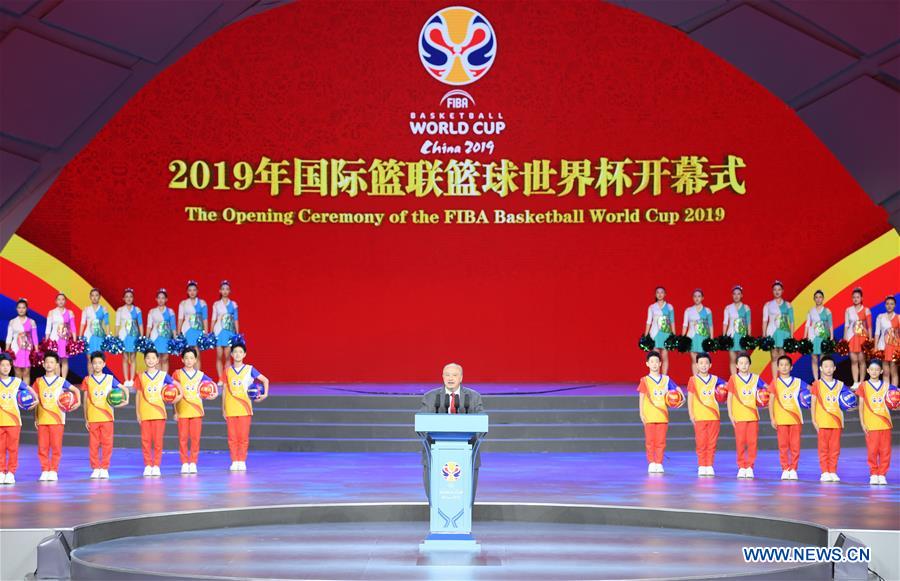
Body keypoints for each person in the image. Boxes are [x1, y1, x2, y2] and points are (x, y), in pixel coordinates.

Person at [418, 363, 485, 498]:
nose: (450, 378)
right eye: (447, 375)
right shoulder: (430, 397)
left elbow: (481, 422)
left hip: (467, 452)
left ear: (461, 378)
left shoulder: (473, 397)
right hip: (435, 452)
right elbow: (422, 424)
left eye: (454, 375)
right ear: (442, 377)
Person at [81, 352, 128, 479]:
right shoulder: (87, 380)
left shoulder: (109, 378)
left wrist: (126, 400)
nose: (97, 365)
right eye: (94, 363)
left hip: (107, 417)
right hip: (93, 417)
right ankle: (95, 468)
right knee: (93, 444)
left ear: (104, 364)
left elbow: (124, 388)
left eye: (99, 363)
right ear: (91, 364)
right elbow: (85, 400)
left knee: (107, 443)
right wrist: (86, 418)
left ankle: (105, 467)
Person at [33, 351, 80, 481]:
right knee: (42, 447)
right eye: (47, 362)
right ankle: (44, 469)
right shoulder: (38, 381)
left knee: (56, 446)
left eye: (52, 362)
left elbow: (75, 390)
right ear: (43, 364)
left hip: (58, 419)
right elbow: (35, 400)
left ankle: (53, 470)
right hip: (42, 419)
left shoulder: (61, 381)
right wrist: (36, 417)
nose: (49, 364)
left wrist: (78, 402)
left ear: (57, 365)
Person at [222, 343, 268, 471]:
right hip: (231, 408)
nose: (237, 354)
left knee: (243, 437)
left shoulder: (249, 369)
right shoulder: (227, 371)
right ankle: (234, 460)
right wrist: (223, 409)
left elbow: (265, 380)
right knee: (232, 437)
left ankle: (241, 460)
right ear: (231, 354)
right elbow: (225, 391)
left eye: (240, 352)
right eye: (235, 352)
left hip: (245, 408)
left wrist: (264, 395)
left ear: (244, 354)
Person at [135, 348, 181, 477]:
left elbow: (177, 385)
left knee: (158, 441)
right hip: (145, 413)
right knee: (146, 441)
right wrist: (138, 414)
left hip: (159, 414)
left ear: (157, 360)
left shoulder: (163, 375)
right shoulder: (140, 376)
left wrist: (178, 396)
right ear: (144, 360)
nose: (150, 360)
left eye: (153, 358)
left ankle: (156, 465)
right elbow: (138, 396)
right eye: (148, 358)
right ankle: (148, 465)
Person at [637, 351, 683, 474]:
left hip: (662, 416)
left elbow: (677, 389)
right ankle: (652, 462)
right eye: (651, 362)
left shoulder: (666, 379)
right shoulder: (645, 380)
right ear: (647, 364)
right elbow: (641, 397)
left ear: (660, 363)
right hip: (649, 415)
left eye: (656, 362)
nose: (654, 364)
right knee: (650, 441)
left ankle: (659, 462)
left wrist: (681, 398)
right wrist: (641, 413)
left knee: (661, 441)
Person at [173, 347, 216, 474]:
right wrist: (175, 411)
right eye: (186, 358)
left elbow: (212, 385)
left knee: (195, 438)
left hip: (197, 411)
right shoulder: (177, 374)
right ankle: (184, 462)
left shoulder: (200, 375)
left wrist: (212, 394)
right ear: (182, 359)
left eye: (192, 358)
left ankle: (193, 462)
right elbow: (173, 393)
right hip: (182, 410)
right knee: (183, 438)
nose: (189, 360)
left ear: (196, 360)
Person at [810, 355, 852, 482]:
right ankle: (824, 471)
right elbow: (813, 402)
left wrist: (851, 404)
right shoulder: (816, 384)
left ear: (834, 368)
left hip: (837, 421)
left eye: (830, 367)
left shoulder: (840, 385)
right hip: (822, 421)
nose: (828, 369)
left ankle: (833, 471)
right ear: (821, 368)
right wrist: (813, 419)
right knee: (823, 449)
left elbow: (847, 400)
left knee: (835, 449)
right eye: (825, 367)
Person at [726, 352, 767, 479]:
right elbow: (730, 398)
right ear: (737, 365)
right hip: (739, 416)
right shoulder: (733, 379)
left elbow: (768, 388)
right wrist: (730, 414)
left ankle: (749, 467)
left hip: (753, 416)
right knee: (740, 443)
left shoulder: (755, 378)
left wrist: (765, 398)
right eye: (741, 363)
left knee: (752, 442)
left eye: (746, 363)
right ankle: (741, 466)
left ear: (750, 364)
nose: (744, 365)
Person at [768, 356, 808, 481]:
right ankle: (785, 469)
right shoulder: (775, 383)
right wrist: (772, 418)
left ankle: (794, 469)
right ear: (778, 367)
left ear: (791, 367)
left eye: (786, 365)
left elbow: (810, 391)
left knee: (795, 446)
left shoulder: (798, 382)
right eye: (781, 365)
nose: (784, 367)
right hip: (781, 419)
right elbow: (771, 402)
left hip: (796, 419)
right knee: (783, 446)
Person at [0, 353, 38, 485]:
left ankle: (10, 473)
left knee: (12, 448)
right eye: (2, 365)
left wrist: (37, 399)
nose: (5, 368)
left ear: (11, 367)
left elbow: (30, 389)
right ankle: (1, 472)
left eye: (7, 365)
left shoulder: (16, 382)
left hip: (14, 421)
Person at [686, 352, 725, 476]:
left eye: (706, 363)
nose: (703, 366)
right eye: (701, 363)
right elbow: (690, 398)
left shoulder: (715, 379)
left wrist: (723, 394)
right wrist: (691, 415)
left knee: (712, 443)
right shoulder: (693, 380)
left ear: (710, 365)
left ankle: (709, 465)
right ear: (696, 365)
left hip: (714, 416)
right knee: (701, 442)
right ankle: (702, 465)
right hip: (700, 416)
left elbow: (727, 387)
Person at [857, 359, 893, 485]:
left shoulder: (887, 386)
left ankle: (882, 474)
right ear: (867, 371)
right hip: (870, 424)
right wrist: (862, 422)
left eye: (877, 369)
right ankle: (873, 473)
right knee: (872, 451)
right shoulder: (863, 386)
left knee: (885, 451)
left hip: (885, 424)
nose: (874, 372)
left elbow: (895, 398)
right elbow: (860, 406)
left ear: (881, 371)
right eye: (871, 369)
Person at [5, 298, 39, 385]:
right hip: (15, 350)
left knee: (26, 373)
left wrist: (36, 350)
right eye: (19, 307)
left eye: (23, 307)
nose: (21, 309)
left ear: (26, 309)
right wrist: (7, 351)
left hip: (28, 350)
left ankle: (26, 393)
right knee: (17, 372)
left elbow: (35, 337)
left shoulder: (32, 322)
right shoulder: (12, 322)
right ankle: (18, 393)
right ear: (16, 309)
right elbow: (9, 337)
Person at [212, 280, 239, 387]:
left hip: (229, 332)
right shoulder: (216, 304)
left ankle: (225, 378)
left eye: (227, 289)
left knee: (228, 356)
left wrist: (237, 333)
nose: (225, 291)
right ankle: (220, 378)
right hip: (218, 331)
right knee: (219, 356)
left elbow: (236, 319)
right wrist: (211, 332)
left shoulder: (233, 304)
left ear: (230, 291)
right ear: (220, 291)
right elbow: (213, 319)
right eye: (223, 289)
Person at [177, 281, 209, 369]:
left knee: (197, 354)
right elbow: (180, 318)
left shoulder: (202, 303)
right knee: (188, 354)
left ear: (197, 291)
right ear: (187, 292)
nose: (192, 292)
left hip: (198, 331)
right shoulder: (183, 303)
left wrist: (206, 332)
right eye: (190, 290)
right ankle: (189, 375)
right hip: (187, 330)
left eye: (194, 290)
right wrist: (178, 332)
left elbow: (205, 318)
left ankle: (197, 377)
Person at [844, 287, 872, 388]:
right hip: (851, 337)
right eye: (854, 297)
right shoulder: (848, 310)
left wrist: (870, 339)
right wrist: (844, 339)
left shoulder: (866, 310)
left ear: (861, 298)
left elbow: (869, 326)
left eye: (858, 297)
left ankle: (862, 382)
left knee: (862, 360)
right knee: (854, 360)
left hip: (862, 338)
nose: (856, 299)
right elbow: (846, 325)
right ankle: (855, 382)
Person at [45, 293, 77, 380]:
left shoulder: (70, 312)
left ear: (65, 301)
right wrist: (47, 340)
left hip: (65, 340)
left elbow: (73, 327)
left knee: (65, 360)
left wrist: (74, 340)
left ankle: (63, 381)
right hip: (54, 339)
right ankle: (58, 380)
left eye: (63, 299)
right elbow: (48, 327)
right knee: (56, 361)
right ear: (56, 301)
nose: (61, 301)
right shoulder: (51, 312)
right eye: (59, 299)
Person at [115, 288, 143, 387]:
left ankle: (132, 379)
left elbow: (140, 324)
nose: (128, 298)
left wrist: (141, 337)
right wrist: (116, 336)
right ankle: (126, 380)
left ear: (133, 298)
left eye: (130, 296)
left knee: (133, 357)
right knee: (125, 357)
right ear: (123, 298)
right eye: (126, 296)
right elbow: (117, 324)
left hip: (134, 336)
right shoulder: (120, 310)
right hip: (123, 336)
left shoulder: (137, 310)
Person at [644, 287, 675, 375]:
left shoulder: (669, 307)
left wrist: (673, 335)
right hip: (654, 334)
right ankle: (655, 377)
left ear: (665, 294)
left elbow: (672, 321)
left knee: (665, 357)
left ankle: (664, 379)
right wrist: (646, 336)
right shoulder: (652, 307)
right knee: (655, 358)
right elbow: (648, 322)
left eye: (662, 292)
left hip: (666, 334)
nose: (660, 294)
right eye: (658, 292)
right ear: (655, 294)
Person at [682, 289, 713, 375]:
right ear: (693, 298)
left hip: (704, 338)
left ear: (702, 298)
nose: (697, 298)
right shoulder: (688, 310)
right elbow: (685, 325)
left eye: (699, 296)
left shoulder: (707, 311)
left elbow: (710, 325)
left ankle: (704, 379)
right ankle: (696, 381)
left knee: (704, 361)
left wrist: (711, 339)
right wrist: (682, 338)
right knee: (694, 361)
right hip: (691, 337)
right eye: (695, 296)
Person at [805, 290, 833, 381]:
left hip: (823, 337)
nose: (818, 299)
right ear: (814, 299)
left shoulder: (827, 311)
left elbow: (830, 324)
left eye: (820, 297)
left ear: (823, 299)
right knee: (814, 358)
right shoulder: (811, 311)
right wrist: (805, 337)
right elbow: (807, 324)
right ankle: (816, 380)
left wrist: (831, 336)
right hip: (813, 337)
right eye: (816, 297)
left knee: (823, 358)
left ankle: (823, 379)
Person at [723, 286, 751, 376]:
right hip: (731, 335)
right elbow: (725, 323)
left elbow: (748, 323)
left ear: (741, 295)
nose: (736, 296)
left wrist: (748, 337)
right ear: (732, 295)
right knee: (732, 359)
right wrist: (724, 337)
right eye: (734, 294)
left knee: (743, 359)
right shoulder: (728, 308)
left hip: (742, 336)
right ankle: (734, 380)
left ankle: (742, 378)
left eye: (738, 294)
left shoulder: (746, 308)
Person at [147, 289, 177, 373]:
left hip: (166, 338)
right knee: (156, 358)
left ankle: (164, 378)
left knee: (165, 358)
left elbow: (173, 326)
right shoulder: (152, 311)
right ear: (156, 299)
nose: (161, 300)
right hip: (155, 337)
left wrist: (175, 338)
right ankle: (158, 379)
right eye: (159, 298)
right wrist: (146, 339)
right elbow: (149, 326)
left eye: (163, 298)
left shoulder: (170, 311)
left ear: (166, 299)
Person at [79, 288, 110, 363]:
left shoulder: (104, 309)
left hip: (100, 336)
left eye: (96, 295)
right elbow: (82, 323)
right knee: (90, 360)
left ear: (99, 297)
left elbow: (107, 323)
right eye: (92, 295)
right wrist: (80, 337)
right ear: (90, 297)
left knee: (99, 360)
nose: (94, 297)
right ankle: (90, 375)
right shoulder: (86, 309)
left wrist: (108, 337)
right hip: (88, 336)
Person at [875, 295, 898, 388]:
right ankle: (886, 391)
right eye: (887, 304)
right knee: (885, 371)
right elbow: (877, 333)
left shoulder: (898, 317)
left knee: (894, 371)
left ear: (895, 305)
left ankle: (894, 392)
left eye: (891, 304)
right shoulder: (880, 317)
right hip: (883, 346)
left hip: (895, 347)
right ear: (885, 305)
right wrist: (875, 346)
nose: (889, 306)